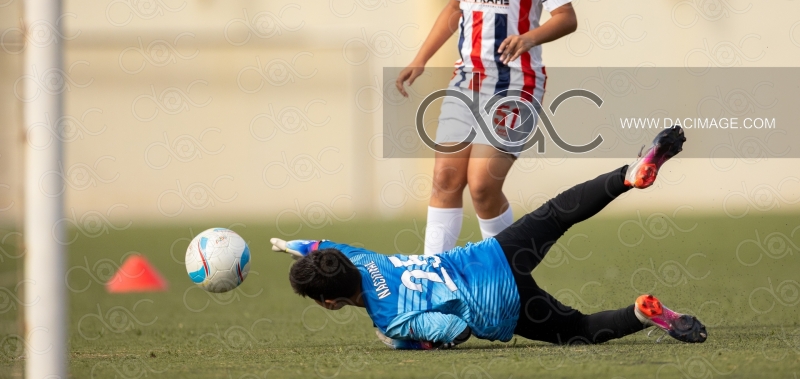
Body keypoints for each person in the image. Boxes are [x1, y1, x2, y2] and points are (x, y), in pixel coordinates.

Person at [272, 126, 708, 348]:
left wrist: (411, 342)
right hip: (492, 255)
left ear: (330, 303)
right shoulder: (362, 258)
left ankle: (643, 314)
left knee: (577, 330)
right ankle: (627, 177)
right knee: (557, 213)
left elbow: (456, 330)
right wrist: (295, 246)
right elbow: (323, 246)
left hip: (502, 305)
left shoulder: (388, 318)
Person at [395, 0, 579, 254]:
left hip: (516, 84)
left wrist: (528, 38)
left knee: (481, 185)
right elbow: (454, 7)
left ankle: (507, 276)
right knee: (445, 177)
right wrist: (421, 58)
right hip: (468, 82)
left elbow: (567, 18)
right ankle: (433, 275)